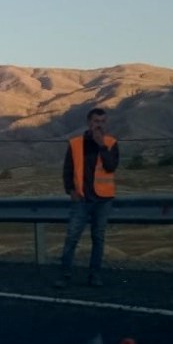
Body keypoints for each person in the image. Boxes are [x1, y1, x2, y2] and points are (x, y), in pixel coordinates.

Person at [55, 108, 119, 288]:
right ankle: (65, 275)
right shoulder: (75, 144)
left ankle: (95, 276)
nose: (99, 124)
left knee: (98, 238)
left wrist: (102, 146)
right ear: (89, 122)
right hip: (81, 199)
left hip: (103, 199)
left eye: (103, 121)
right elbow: (67, 170)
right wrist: (70, 190)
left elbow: (111, 167)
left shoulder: (111, 143)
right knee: (72, 237)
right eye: (96, 121)